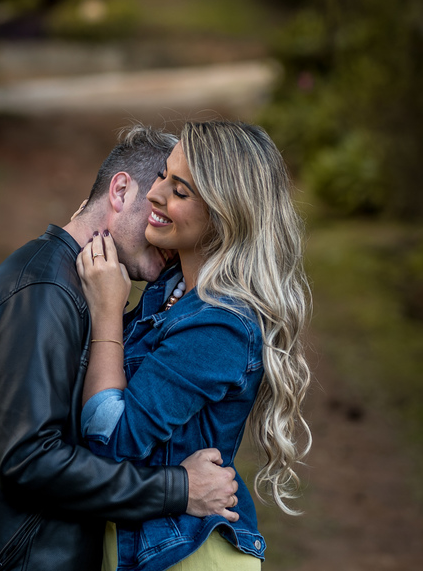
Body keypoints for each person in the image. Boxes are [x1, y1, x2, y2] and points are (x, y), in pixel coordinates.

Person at [0, 125, 241, 571]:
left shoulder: (89, 289)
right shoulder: (43, 290)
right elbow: (29, 461)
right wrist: (178, 489)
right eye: (155, 201)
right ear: (121, 191)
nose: (161, 225)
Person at [76, 120, 312, 571]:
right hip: (136, 544)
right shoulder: (172, 289)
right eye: (164, 175)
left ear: (224, 214)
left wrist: (108, 313)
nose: (154, 194)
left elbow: (114, 442)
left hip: (187, 556)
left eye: (180, 191)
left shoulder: (220, 326)